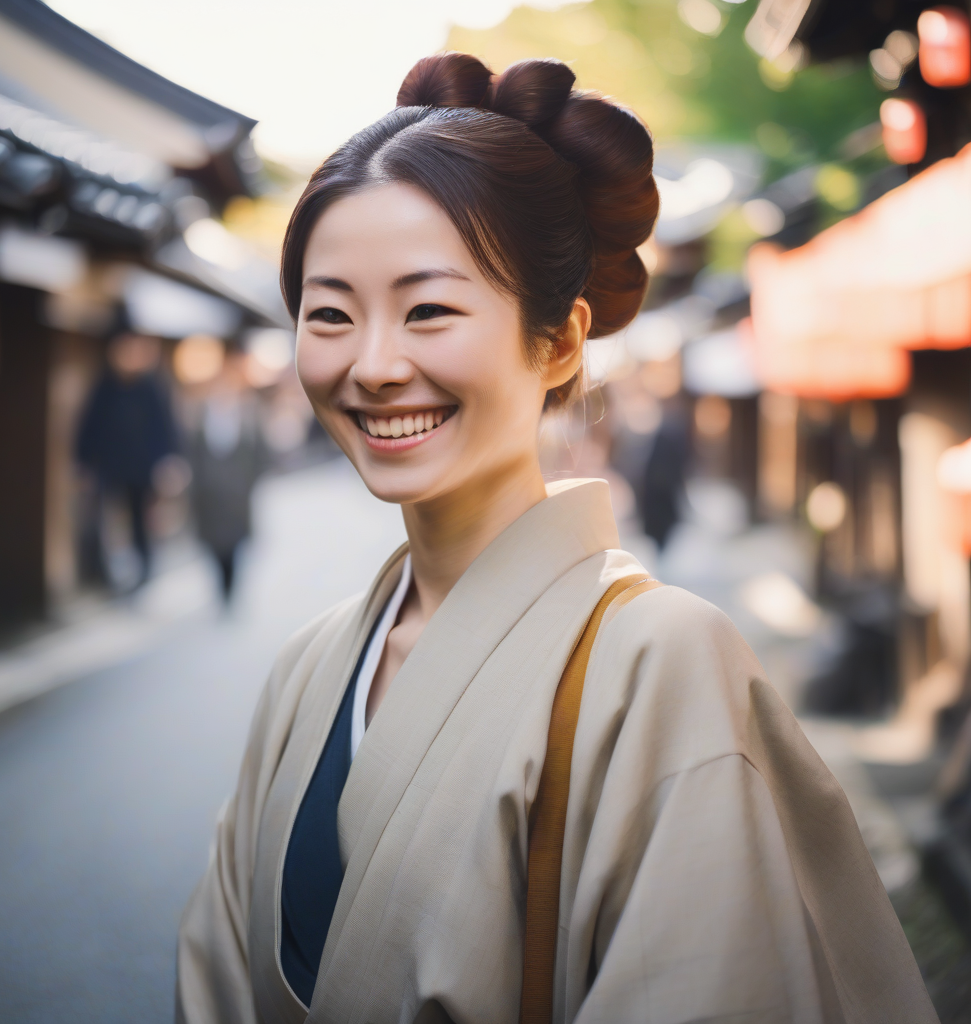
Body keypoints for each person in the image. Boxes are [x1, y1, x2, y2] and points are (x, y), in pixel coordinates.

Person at [177, 54, 937, 1024]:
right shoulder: (306, 669)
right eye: (329, 314)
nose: (372, 365)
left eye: (429, 310)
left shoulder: (659, 663)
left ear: (562, 341)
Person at [76, 309, 177, 591]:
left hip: (143, 471)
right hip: (110, 469)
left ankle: (143, 570)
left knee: (140, 524)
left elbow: (165, 428)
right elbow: (89, 427)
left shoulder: (150, 387)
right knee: (108, 524)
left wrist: (167, 461)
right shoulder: (104, 386)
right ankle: (108, 576)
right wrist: (83, 461)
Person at [187, 346, 268, 603]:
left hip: (236, 496)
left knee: (234, 544)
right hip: (209, 497)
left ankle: (230, 588)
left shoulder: (247, 419)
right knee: (212, 545)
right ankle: (221, 586)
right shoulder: (200, 419)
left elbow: (261, 456)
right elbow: (192, 454)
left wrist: (248, 482)